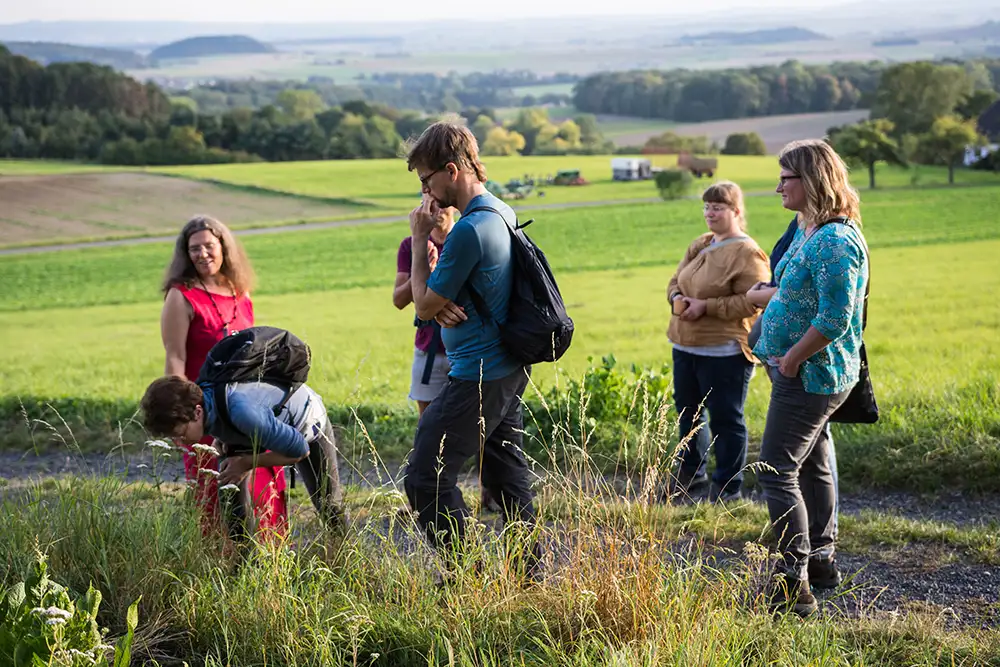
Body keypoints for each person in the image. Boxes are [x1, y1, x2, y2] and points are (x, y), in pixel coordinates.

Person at [401, 120, 539, 578]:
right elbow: (470, 290)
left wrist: (420, 238)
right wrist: (441, 304)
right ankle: (529, 575)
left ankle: (467, 576)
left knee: (424, 476)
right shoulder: (501, 210)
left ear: (452, 170)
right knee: (507, 475)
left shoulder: (467, 230)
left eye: (426, 179)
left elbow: (421, 302)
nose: (425, 192)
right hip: (507, 365)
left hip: (479, 371)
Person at [747, 140, 868, 617]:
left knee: (776, 469)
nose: (778, 186)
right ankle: (820, 562)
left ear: (813, 180)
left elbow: (836, 317)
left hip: (813, 374)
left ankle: (792, 587)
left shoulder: (836, 241)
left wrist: (794, 358)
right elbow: (797, 290)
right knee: (812, 464)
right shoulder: (807, 229)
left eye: (786, 177)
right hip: (796, 370)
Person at [160, 215, 287, 536]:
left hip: (247, 412)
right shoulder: (181, 295)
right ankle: (220, 563)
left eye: (208, 246)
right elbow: (176, 358)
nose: (202, 254)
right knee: (213, 491)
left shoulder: (239, 291)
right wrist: (180, 416)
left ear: (223, 247)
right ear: (185, 254)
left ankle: (270, 560)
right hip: (204, 414)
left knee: (261, 482)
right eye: (194, 249)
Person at [139, 375, 347, 538]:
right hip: (259, 422)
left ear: (197, 412)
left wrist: (246, 463)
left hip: (306, 422)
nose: (179, 443)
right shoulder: (209, 401)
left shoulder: (242, 413)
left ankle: (345, 556)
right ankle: (244, 564)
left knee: (328, 504)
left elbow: (299, 451)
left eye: (180, 434)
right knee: (231, 496)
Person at [666, 181, 770, 503]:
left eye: (718, 207)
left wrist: (706, 307)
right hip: (685, 344)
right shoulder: (701, 243)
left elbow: (753, 301)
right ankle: (692, 476)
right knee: (689, 415)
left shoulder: (748, 253)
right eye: (707, 207)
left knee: (726, 418)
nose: (710, 213)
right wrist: (676, 297)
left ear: (736, 211)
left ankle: (727, 489)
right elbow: (675, 278)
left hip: (725, 350)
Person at [393, 209, 501, 513]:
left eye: (439, 204)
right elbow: (399, 299)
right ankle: (424, 496)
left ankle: (489, 491)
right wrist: (422, 269)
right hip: (430, 349)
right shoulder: (412, 246)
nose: (435, 210)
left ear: (452, 206)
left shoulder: (465, 238)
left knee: (482, 424)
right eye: (428, 204)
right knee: (427, 425)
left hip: (467, 349)